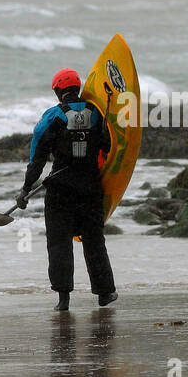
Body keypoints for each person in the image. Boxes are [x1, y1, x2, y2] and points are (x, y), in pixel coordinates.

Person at [17, 67, 117, 311]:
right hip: (91, 188)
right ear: (77, 88)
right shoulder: (96, 113)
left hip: (61, 190)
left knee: (59, 243)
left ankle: (63, 299)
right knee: (94, 241)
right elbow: (108, 145)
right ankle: (105, 293)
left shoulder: (53, 117)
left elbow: (37, 157)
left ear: (58, 91)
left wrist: (25, 189)